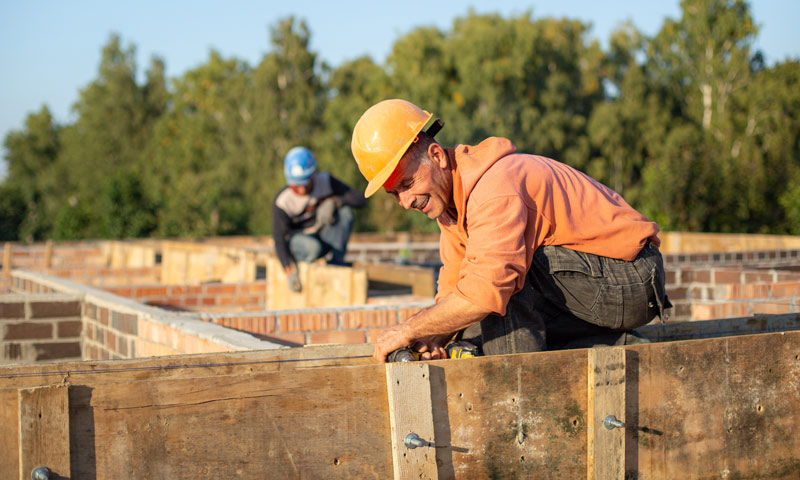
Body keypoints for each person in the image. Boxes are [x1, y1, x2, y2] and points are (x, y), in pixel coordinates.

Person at [350, 99, 671, 362]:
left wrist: (406, 329)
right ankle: (615, 346)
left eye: (407, 184)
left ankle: (519, 401)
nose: (405, 201)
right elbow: (452, 291)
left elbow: (484, 291)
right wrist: (432, 336)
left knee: (499, 285)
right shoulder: (451, 210)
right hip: (594, 288)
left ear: (436, 156)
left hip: (632, 279)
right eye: (395, 194)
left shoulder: (494, 188)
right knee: (472, 331)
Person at [272, 146, 366, 292]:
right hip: (300, 241)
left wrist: (335, 202)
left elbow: (360, 199)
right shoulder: (283, 201)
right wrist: (288, 270)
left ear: (313, 175)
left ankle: (335, 263)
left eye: (306, 183)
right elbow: (278, 239)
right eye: (297, 186)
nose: (302, 190)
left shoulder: (325, 181)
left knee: (345, 213)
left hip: (322, 234)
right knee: (312, 247)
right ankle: (309, 262)